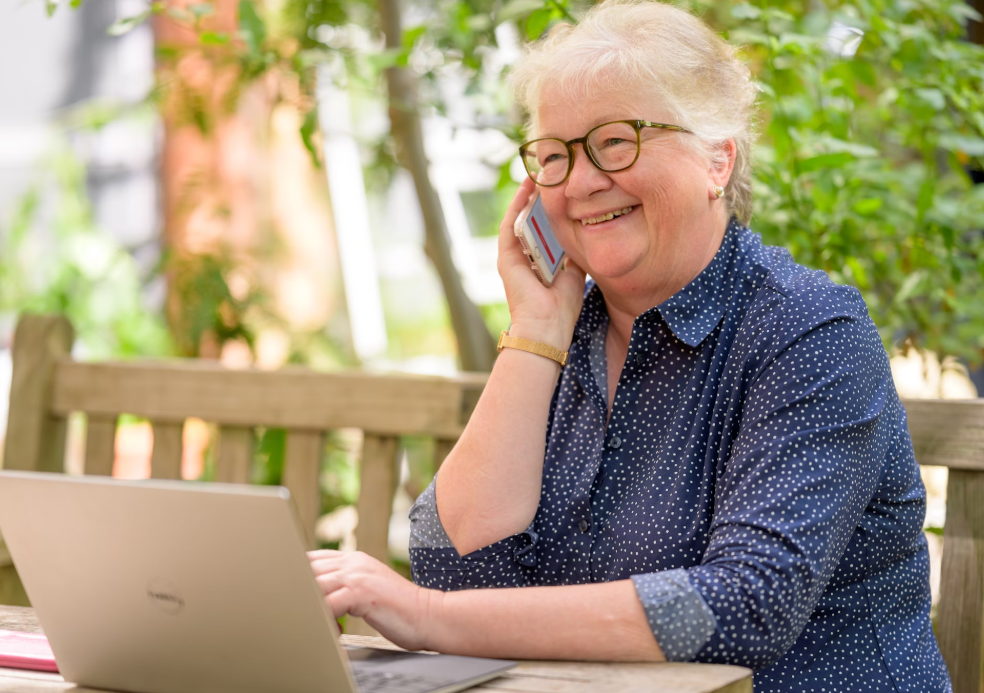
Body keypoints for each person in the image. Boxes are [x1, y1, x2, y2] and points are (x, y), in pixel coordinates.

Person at [308, 1, 952, 690]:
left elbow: (746, 603)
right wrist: (535, 330)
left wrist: (426, 617)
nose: (582, 181)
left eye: (616, 142)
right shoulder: (565, 336)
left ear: (717, 160)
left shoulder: (810, 330)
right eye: (554, 156)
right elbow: (459, 562)